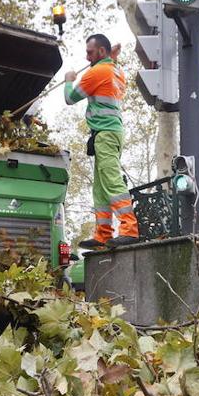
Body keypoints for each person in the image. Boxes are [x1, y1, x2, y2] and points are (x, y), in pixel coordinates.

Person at [64, 33, 138, 250]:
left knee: (112, 181)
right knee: (101, 186)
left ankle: (129, 229)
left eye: (90, 52)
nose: (87, 58)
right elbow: (107, 68)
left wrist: (68, 80)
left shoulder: (97, 72)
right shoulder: (116, 70)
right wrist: (111, 58)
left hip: (105, 134)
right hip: (110, 133)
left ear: (101, 51)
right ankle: (103, 234)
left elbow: (70, 98)